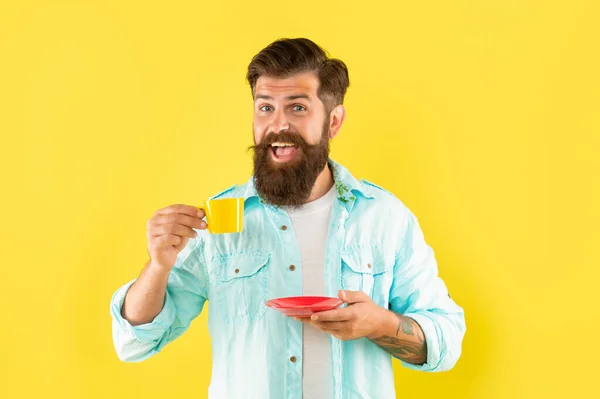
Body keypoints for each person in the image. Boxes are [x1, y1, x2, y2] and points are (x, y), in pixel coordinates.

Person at [110, 37, 466, 399]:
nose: (278, 124)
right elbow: (133, 342)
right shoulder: (219, 221)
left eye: (297, 108)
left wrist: (382, 324)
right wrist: (158, 267)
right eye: (265, 108)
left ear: (334, 121)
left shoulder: (384, 218)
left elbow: (446, 343)